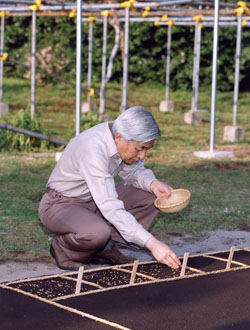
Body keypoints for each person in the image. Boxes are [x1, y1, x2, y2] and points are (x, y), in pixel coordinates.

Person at [39, 106, 180, 271]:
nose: (142, 156)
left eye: (146, 149)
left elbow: (134, 171)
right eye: (140, 149)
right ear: (119, 138)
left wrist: (152, 183)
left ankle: (106, 247)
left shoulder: (120, 133)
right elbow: (110, 206)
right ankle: (63, 246)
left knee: (151, 195)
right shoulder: (93, 149)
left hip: (95, 198)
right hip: (60, 204)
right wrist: (152, 243)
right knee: (97, 232)